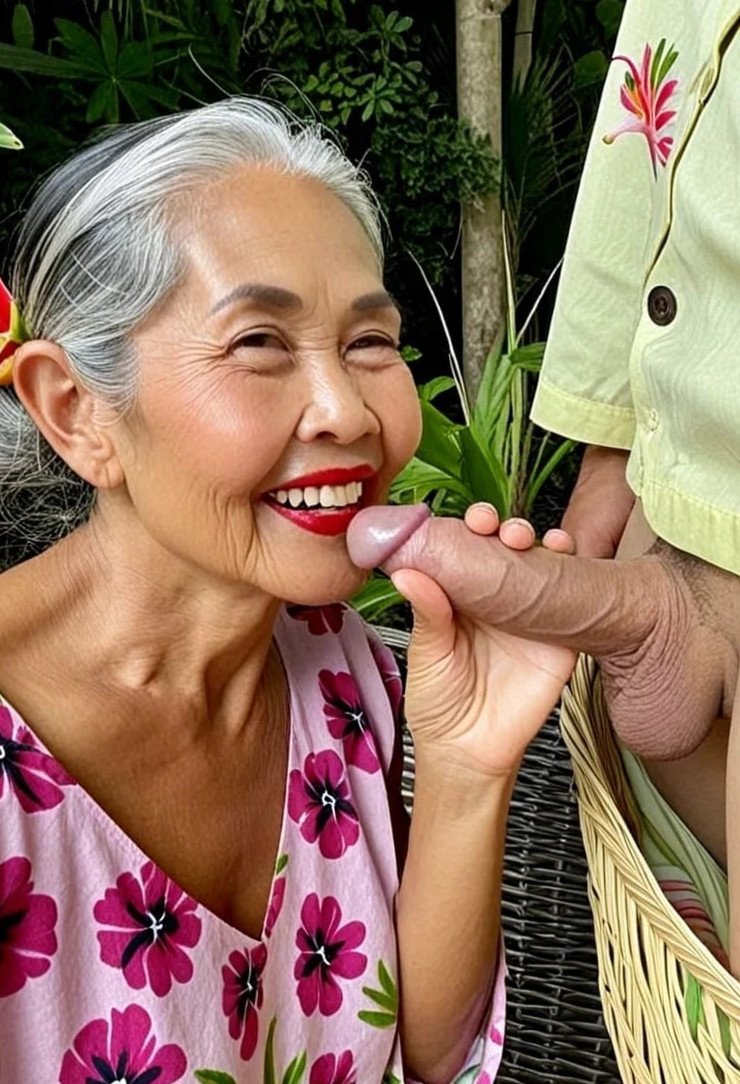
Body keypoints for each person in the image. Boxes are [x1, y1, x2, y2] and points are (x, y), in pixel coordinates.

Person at [0, 97, 574, 1082]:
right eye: (258, 342)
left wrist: (466, 764)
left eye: (369, 343)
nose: (347, 412)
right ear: (78, 408)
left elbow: (423, 1051)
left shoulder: (340, 670)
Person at [348, 0, 740, 981]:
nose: (334, 411)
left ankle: (674, 611)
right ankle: (677, 608)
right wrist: (607, 443)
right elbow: (650, 102)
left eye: (363, 342)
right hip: (677, 485)